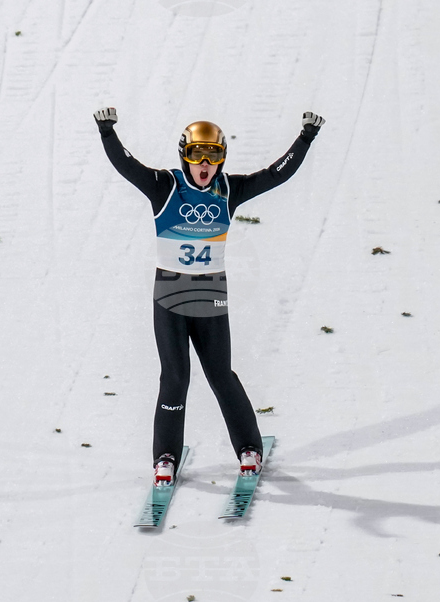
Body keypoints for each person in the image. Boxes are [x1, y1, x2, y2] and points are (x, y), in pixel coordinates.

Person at [93, 107, 325, 486]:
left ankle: (249, 448)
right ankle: (165, 455)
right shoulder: (164, 186)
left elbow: (275, 175)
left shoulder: (228, 190)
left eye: (213, 156)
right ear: (184, 155)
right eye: (198, 155)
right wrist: (107, 133)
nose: (205, 164)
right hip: (170, 296)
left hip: (210, 296)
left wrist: (305, 139)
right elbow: (126, 165)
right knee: (174, 378)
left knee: (221, 375)